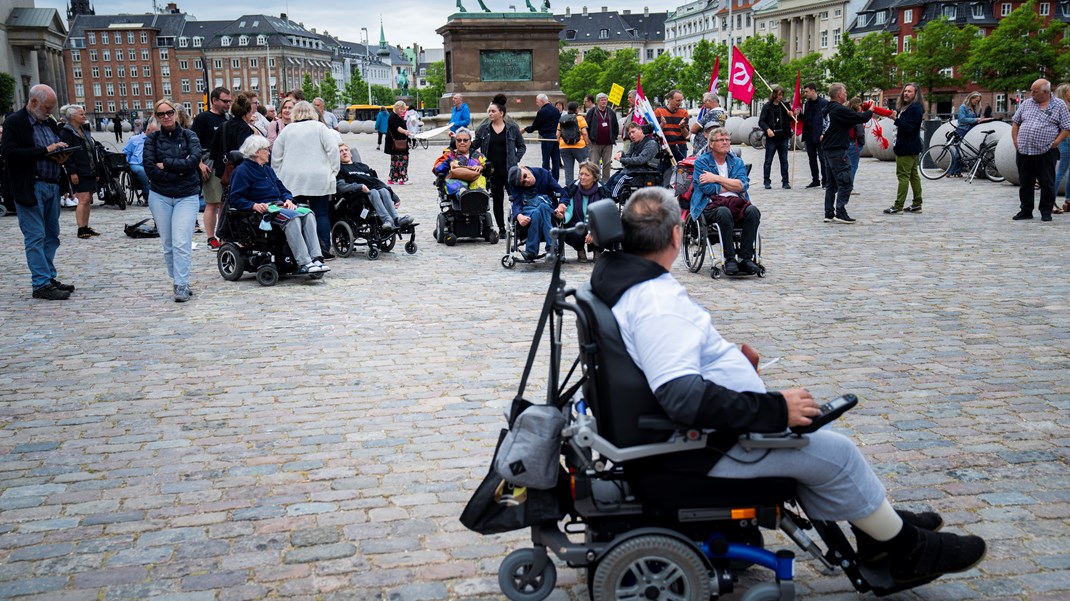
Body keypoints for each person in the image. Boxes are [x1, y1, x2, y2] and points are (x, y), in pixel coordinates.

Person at [592, 186, 987, 589]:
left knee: (819, 435)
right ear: (678, 235)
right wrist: (775, 410)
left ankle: (876, 527)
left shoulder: (626, 282)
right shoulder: (657, 304)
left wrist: (733, 367)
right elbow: (681, 396)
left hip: (687, 439)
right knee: (837, 454)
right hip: (695, 452)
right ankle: (905, 548)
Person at [1, 84, 76, 300]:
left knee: (52, 235)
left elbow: (51, 150)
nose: (50, 112)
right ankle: (41, 283)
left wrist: (61, 155)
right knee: (36, 236)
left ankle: (49, 277)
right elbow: (9, 153)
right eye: (46, 107)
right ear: (33, 102)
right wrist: (46, 151)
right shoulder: (16, 122)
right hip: (30, 186)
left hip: (51, 183)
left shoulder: (49, 123)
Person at [228, 136, 328, 275]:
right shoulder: (242, 171)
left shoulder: (267, 170)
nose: (269, 152)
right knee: (292, 218)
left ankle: (316, 258)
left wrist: (288, 199)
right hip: (261, 212)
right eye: (266, 150)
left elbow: (283, 189)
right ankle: (304, 262)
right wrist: (253, 205)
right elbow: (235, 199)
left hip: (279, 206)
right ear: (256, 152)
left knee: (308, 213)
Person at [143, 99, 202, 303]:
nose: (166, 117)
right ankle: (176, 278)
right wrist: (179, 169)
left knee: (181, 242)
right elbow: (150, 169)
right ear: (156, 117)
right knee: (168, 244)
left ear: (175, 114)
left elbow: (193, 162)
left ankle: (181, 284)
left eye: (169, 112)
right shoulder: (152, 140)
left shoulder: (189, 136)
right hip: (160, 195)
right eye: (161, 114)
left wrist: (166, 164)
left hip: (187, 195)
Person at [272, 100, 340, 256]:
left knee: (296, 214)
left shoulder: (288, 130)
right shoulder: (321, 128)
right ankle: (323, 248)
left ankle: (300, 249)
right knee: (321, 213)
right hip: (318, 175)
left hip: (293, 177)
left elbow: (276, 155)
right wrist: (333, 171)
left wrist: (279, 174)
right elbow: (333, 150)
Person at [691, 127, 761, 276]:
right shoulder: (701, 162)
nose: (725, 143)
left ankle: (745, 258)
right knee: (724, 212)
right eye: (721, 140)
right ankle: (729, 259)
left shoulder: (736, 161)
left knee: (753, 212)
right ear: (711, 144)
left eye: (727, 140)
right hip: (710, 204)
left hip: (737, 204)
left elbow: (742, 185)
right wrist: (731, 185)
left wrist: (716, 178)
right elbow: (707, 188)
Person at [1011, 78, 1070, 222]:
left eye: (1034, 91)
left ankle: (1046, 211)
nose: (1031, 94)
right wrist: (1015, 141)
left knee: (1047, 182)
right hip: (1024, 150)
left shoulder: (1059, 105)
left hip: (1046, 151)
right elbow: (1016, 122)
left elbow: (1066, 126)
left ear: (1045, 92)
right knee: (1025, 182)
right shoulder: (1027, 104)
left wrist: (1056, 142)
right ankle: (1025, 210)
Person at [475, 93, 526, 238]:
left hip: (509, 170)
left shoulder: (512, 128)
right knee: (497, 200)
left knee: (515, 198)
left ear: (501, 113)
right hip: (492, 171)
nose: (490, 114)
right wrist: (457, 141)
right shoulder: (484, 129)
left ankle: (518, 225)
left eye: (493, 111)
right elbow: (474, 145)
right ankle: (502, 228)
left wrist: (515, 159)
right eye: (489, 111)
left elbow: (521, 146)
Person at [821, 83, 872, 223]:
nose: (846, 94)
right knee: (846, 182)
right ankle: (840, 211)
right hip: (838, 150)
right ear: (839, 95)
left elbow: (840, 124)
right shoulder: (838, 109)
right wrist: (871, 110)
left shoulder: (827, 109)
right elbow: (860, 118)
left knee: (831, 183)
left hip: (828, 149)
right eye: (845, 92)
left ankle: (829, 213)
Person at [191, 86, 231, 249]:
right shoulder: (203, 118)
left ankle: (222, 235)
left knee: (224, 202)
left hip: (226, 163)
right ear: (214, 100)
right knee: (212, 202)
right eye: (224, 101)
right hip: (210, 162)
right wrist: (199, 163)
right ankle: (210, 237)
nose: (227, 104)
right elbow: (193, 142)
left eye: (229, 101)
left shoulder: (228, 118)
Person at [338, 143, 412, 231]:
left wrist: (393, 195)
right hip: (358, 195)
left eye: (346, 150)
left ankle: (396, 219)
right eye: (341, 151)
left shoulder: (363, 166)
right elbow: (341, 186)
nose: (344, 153)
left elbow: (377, 181)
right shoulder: (340, 169)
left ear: (351, 154)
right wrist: (359, 186)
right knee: (374, 192)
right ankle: (387, 220)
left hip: (373, 191)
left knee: (383, 190)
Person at [507, 164, 568, 262]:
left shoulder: (543, 173)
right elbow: (516, 203)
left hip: (547, 208)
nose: (526, 181)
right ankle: (552, 248)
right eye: (523, 183)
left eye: (525, 176)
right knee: (536, 212)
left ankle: (531, 251)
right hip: (528, 210)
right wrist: (518, 215)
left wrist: (562, 204)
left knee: (542, 208)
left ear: (524, 168)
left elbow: (563, 192)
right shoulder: (514, 183)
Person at [58, 104, 100, 238]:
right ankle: (81, 228)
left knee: (88, 199)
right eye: (81, 114)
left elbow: (91, 150)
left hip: (89, 168)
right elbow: (67, 154)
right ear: (72, 117)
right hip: (78, 169)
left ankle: (86, 226)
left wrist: (97, 170)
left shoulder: (84, 129)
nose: (84, 116)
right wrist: (72, 172)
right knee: (83, 199)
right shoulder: (66, 132)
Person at [885, 83, 924, 215]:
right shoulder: (908, 107)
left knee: (903, 176)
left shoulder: (915, 108)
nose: (906, 93)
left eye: (910, 92)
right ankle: (917, 203)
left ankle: (898, 206)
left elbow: (909, 127)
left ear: (916, 94)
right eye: (905, 91)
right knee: (913, 175)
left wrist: (896, 119)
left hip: (907, 147)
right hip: (909, 146)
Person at [562, 161, 610, 262]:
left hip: (597, 223)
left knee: (602, 229)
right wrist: (562, 216)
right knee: (571, 231)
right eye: (581, 174)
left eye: (587, 175)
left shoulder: (602, 191)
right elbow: (569, 211)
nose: (582, 177)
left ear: (595, 177)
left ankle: (598, 249)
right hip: (577, 222)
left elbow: (604, 216)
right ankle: (580, 249)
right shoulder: (573, 188)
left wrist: (592, 231)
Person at [211, 91, 261, 186]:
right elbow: (245, 152)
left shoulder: (223, 125)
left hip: (223, 171)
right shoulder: (245, 128)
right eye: (251, 111)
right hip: (240, 173)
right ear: (246, 113)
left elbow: (213, 150)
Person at [607, 121, 660, 199]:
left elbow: (640, 160)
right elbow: (627, 159)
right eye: (629, 134)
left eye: (633, 132)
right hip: (631, 171)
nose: (631, 135)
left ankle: (611, 200)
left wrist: (621, 159)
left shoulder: (651, 143)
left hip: (642, 173)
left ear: (641, 130)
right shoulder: (633, 144)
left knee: (618, 180)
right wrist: (621, 153)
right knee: (611, 180)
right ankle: (603, 197)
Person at [947, 92, 993, 177]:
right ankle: (951, 171)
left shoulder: (975, 108)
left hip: (971, 131)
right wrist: (976, 120)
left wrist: (981, 120)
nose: (977, 102)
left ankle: (957, 171)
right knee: (959, 152)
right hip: (962, 130)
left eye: (978, 101)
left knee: (965, 152)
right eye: (976, 100)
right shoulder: (963, 107)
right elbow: (962, 119)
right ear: (971, 98)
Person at [433, 127, 488, 194]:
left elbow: (490, 168)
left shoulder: (478, 155)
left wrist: (482, 167)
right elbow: (436, 169)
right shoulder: (449, 155)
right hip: (456, 183)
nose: (462, 142)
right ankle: (463, 194)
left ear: (470, 142)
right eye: (459, 140)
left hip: (475, 180)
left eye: (465, 140)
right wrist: (449, 162)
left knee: (480, 182)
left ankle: (480, 194)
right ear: (455, 142)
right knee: (459, 187)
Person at [759, 85, 793, 190]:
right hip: (772, 138)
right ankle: (766, 181)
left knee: (784, 160)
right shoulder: (767, 106)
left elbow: (790, 120)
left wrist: (791, 114)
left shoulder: (785, 105)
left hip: (783, 137)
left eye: (782, 95)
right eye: (779, 95)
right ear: (774, 95)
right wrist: (767, 129)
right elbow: (761, 121)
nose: (780, 97)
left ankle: (785, 181)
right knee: (768, 161)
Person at [524, 93, 562, 181]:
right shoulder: (556, 110)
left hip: (546, 137)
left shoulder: (542, 111)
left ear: (541, 101)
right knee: (556, 160)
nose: (537, 104)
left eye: (537, 102)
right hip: (556, 137)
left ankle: (546, 179)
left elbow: (535, 126)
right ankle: (555, 179)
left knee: (546, 160)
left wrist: (525, 129)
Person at [585, 93, 619, 182]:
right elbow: (586, 125)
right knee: (594, 163)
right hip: (595, 143)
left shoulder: (611, 112)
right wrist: (588, 138)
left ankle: (606, 182)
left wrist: (613, 137)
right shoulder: (592, 112)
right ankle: (596, 181)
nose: (604, 101)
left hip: (608, 143)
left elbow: (615, 126)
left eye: (605, 100)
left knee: (607, 163)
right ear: (597, 101)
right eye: (602, 100)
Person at [800, 83, 828, 188]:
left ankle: (825, 181)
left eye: (807, 91)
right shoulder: (807, 104)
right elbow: (806, 119)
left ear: (813, 91)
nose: (805, 94)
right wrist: (799, 115)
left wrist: (824, 133)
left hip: (820, 135)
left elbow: (827, 120)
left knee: (822, 158)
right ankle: (815, 179)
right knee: (811, 158)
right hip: (809, 135)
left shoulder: (824, 103)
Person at [123, 120, 159, 199]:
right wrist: (126, 163)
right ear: (148, 130)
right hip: (136, 163)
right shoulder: (134, 139)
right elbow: (126, 152)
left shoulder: (157, 141)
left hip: (151, 163)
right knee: (142, 171)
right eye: (155, 132)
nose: (157, 135)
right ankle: (147, 195)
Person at [558, 101, 590, 186]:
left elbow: (557, 134)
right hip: (579, 146)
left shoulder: (562, 119)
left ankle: (569, 189)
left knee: (568, 170)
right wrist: (587, 143)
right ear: (576, 109)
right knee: (585, 167)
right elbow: (584, 132)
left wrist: (560, 143)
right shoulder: (580, 118)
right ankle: (584, 185)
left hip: (564, 147)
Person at [655, 89, 690, 162]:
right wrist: (662, 124)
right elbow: (656, 133)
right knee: (665, 171)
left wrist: (682, 127)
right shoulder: (659, 111)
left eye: (681, 100)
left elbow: (686, 136)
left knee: (681, 171)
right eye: (678, 100)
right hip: (665, 147)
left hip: (680, 147)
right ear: (669, 100)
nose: (680, 103)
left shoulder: (684, 113)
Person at [1051, 83, 1070, 210]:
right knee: (1061, 171)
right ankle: (1050, 201)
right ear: (1064, 93)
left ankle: (1068, 201)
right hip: (1066, 141)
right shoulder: (1062, 107)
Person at [385, 100, 410, 185]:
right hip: (398, 143)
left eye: (404, 109)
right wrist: (405, 132)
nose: (403, 111)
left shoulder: (395, 116)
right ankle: (402, 178)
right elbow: (397, 128)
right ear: (397, 108)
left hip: (396, 144)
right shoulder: (393, 117)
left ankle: (393, 178)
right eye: (401, 109)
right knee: (402, 160)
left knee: (395, 162)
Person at [846, 97, 865, 181]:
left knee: (847, 166)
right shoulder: (857, 116)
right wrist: (862, 142)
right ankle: (849, 186)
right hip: (855, 143)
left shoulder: (847, 114)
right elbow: (860, 132)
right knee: (853, 165)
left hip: (846, 142)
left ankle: (843, 185)